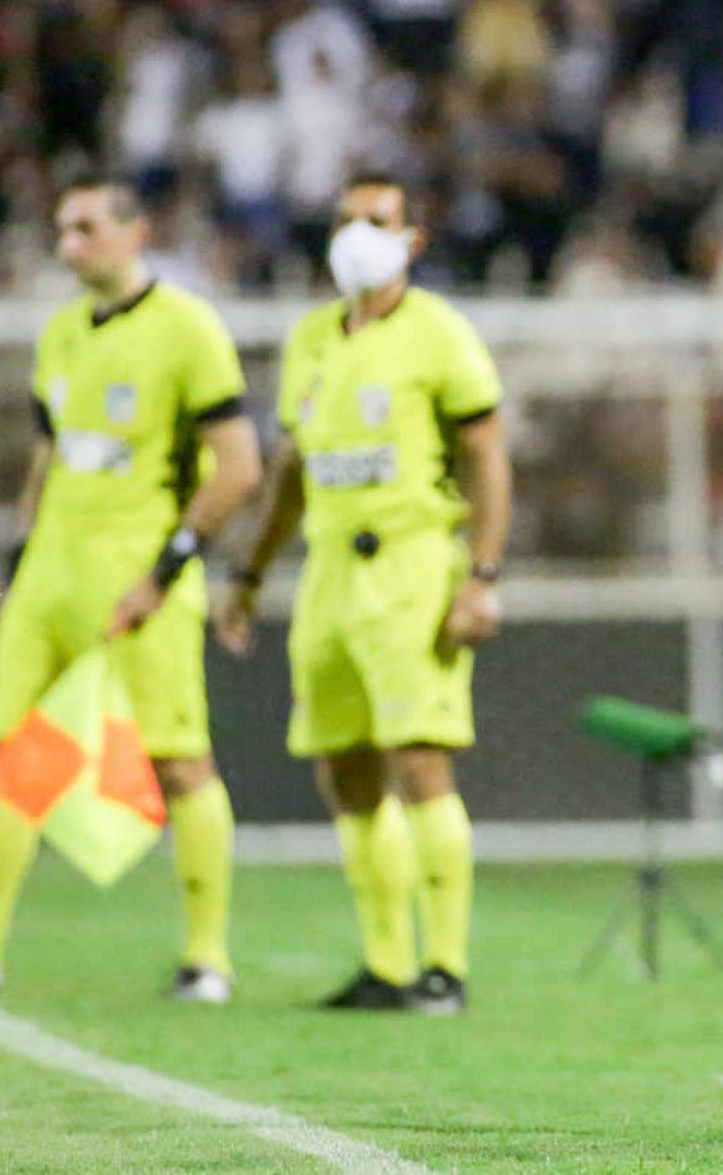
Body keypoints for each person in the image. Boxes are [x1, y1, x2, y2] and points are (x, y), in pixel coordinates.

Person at [0, 178, 262, 1002]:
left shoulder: (188, 329)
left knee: (179, 759)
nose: (68, 244)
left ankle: (208, 959)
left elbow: (239, 466)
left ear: (135, 232)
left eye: (85, 227)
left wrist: (166, 570)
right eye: (61, 229)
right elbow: (53, 455)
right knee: (7, 754)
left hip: (136, 572)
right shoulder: (60, 334)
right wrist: (22, 552)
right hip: (51, 572)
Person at [215, 172, 511, 1013]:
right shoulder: (313, 336)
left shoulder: (440, 334)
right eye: (344, 218)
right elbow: (292, 469)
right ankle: (385, 964)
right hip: (327, 571)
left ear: (412, 239)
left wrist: (481, 575)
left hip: (413, 563)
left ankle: (444, 967)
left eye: (376, 219)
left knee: (419, 758)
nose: (355, 234)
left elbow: (488, 457)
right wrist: (248, 573)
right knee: (343, 768)